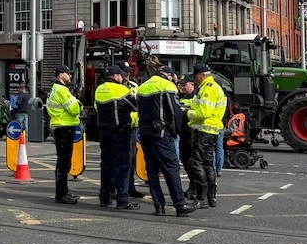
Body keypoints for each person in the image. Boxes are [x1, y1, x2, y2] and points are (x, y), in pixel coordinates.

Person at [136, 62, 195, 217]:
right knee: (171, 167)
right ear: (169, 75)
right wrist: (176, 131)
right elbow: (174, 112)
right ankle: (180, 205)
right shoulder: (167, 86)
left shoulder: (142, 87)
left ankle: (159, 206)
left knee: (152, 170)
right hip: (161, 133)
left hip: (145, 132)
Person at [94, 62, 139, 211]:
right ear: (115, 76)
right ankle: (122, 200)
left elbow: (96, 107)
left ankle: (104, 198)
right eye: (120, 75)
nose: (122, 77)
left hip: (103, 131)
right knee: (122, 166)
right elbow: (135, 106)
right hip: (119, 131)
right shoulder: (121, 89)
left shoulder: (99, 89)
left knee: (106, 165)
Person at [186, 63, 226, 209]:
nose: (195, 79)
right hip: (211, 131)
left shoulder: (208, 89)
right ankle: (211, 197)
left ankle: (201, 198)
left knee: (196, 163)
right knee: (208, 164)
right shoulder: (213, 87)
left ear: (202, 75)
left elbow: (203, 113)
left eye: (196, 76)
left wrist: (187, 112)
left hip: (204, 131)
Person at [46, 65, 81, 205]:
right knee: (63, 162)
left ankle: (63, 192)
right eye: (68, 73)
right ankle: (61, 195)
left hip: (61, 126)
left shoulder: (55, 89)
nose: (70, 76)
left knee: (62, 162)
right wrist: (79, 104)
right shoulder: (61, 90)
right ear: (61, 75)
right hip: (64, 127)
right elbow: (74, 109)